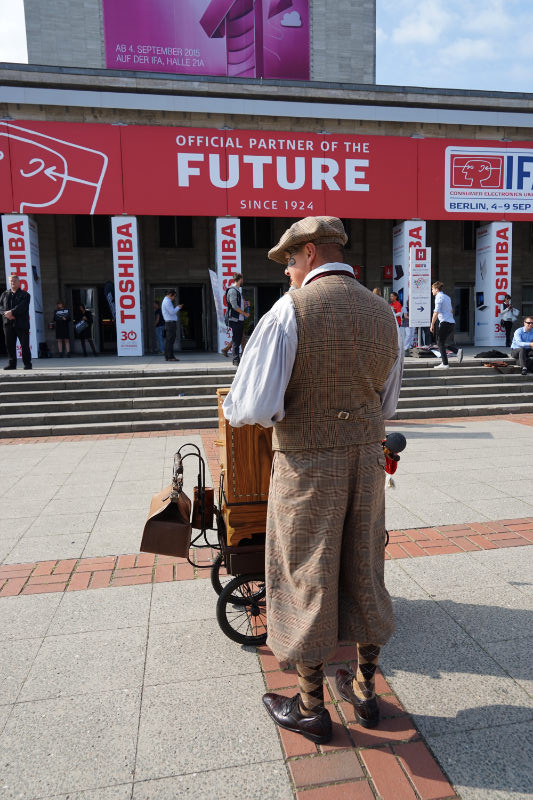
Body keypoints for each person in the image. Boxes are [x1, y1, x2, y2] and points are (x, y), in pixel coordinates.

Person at [223, 216, 403, 744]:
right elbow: (387, 403)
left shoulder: (290, 310)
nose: (286, 274)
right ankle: (367, 694)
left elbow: (251, 406)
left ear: (308, 253)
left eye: (289, 263)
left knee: (306, 572)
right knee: (364, 568)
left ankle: (309, 707)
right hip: (366, 463)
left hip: (306, 466)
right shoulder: (383, 313)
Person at [0, 274, 32, 370]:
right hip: (8, 324)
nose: (12, 283)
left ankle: (27, 364)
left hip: (21, 324)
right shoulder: (4, 294)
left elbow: (22, 307)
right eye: (11, 281)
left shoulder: (25, 295)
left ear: (19, 282)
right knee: (9, 345)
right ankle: (12, 364)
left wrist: (12, 312)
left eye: (14, 281)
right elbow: (0, 307)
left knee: (24, 345)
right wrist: (6, 314)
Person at [430, 281, 463, 369]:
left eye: (432, 289)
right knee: (441, 342)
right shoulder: (447, 297)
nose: (432, 291)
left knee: (440, 342)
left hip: (445, 322)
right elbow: (451, 310)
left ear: (436, 289)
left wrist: (432, 324)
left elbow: (436, 312)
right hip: (451, 322)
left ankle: (445, 364)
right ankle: (456, 351)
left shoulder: (438, 297)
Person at [225, 273, 249, 366]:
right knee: (236, 340)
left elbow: (238, 304)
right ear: (240, 279)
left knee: (238, 339)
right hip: (235, 319)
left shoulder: (237, 290)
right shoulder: (233, 291)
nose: (243, 281)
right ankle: (236, 360)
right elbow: (234, 306)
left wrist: (244, 304)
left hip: (239, 319)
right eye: (242, 279)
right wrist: (244, 313)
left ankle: (237, 359)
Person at [161, 288, 183, 362]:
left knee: (169, 341)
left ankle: (168, 356)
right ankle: (170, 357)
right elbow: (172, 312)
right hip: (170, 323)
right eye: (174, 296)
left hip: (169, 323)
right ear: (170, 295)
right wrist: (178, 307)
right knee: (170, 341)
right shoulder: (167, 301)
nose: (174, 298)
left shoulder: (166, 301)